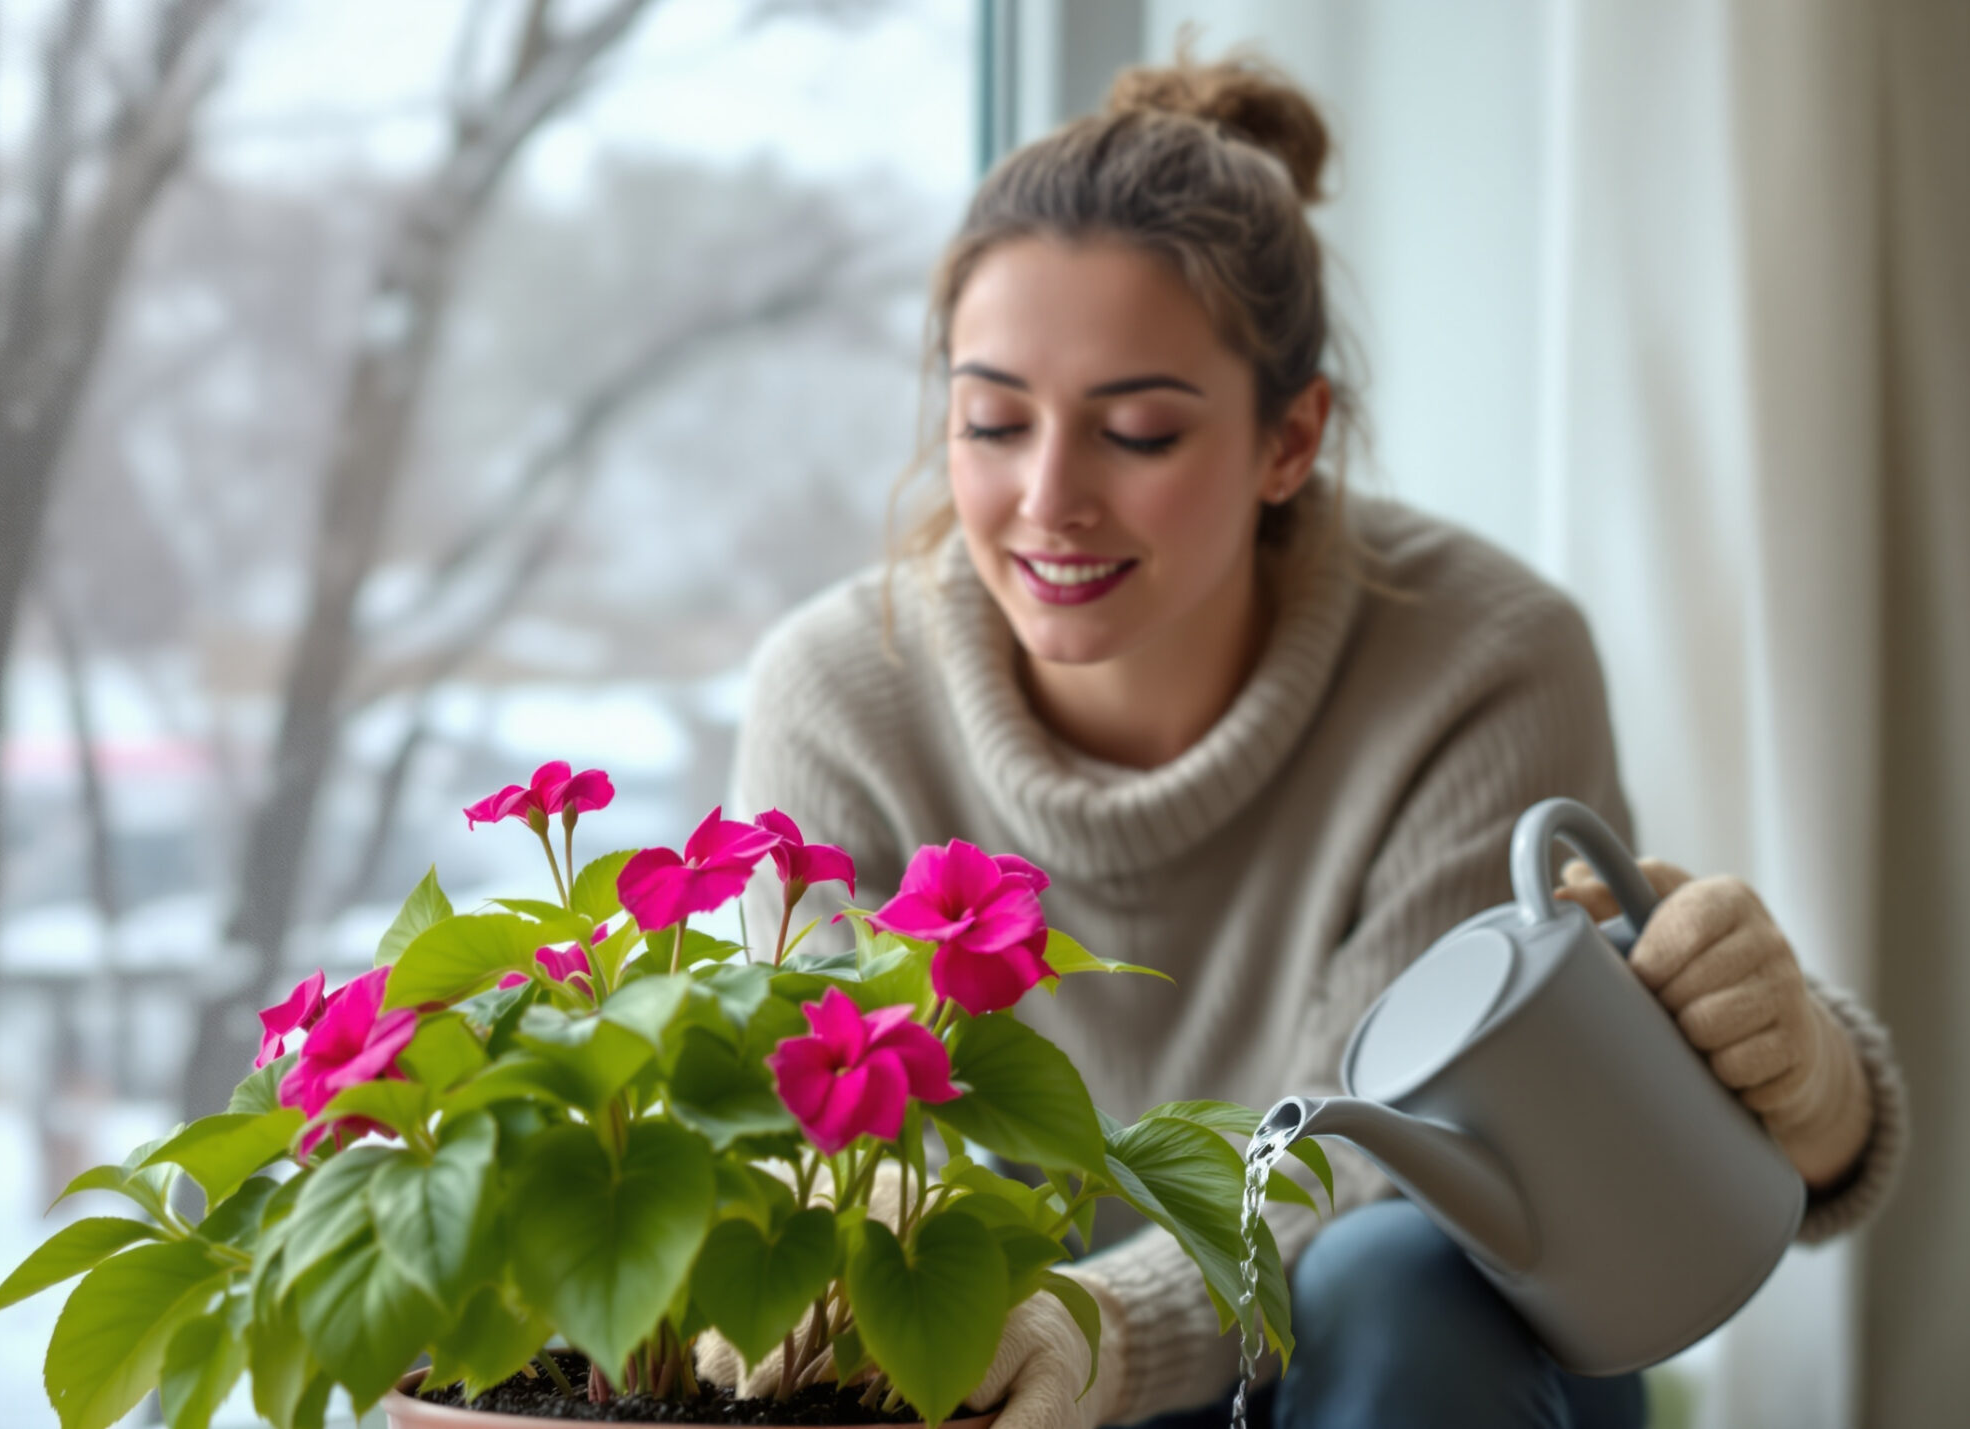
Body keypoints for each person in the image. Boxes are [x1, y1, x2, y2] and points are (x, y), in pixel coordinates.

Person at [723, 49, 1908, 1429]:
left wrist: (1097, 1329)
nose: (1047, 499)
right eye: (992, 420)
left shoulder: (1479, 666)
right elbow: (825, 1134)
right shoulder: (836, 696)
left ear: (1292, 440)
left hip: (1388, 1378)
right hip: (1009, 1387)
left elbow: (1383, 1156)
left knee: (1401, 1271)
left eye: (1140, 432)